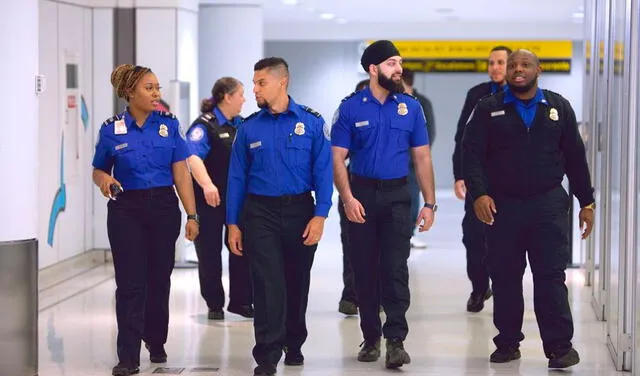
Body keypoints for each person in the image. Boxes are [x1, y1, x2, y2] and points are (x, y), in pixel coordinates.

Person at [463, 49, 595, 369]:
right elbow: (472, 154)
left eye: (524, 65)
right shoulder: (488, 108)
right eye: (512, 66)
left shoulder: (558, 107)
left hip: (547, 204)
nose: (517, 70)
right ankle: (507, 342)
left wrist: (586, 201)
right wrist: (479, 194)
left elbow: (576, 158)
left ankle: (559, 347)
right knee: (506, 276)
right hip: (502, 206)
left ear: (539, 69)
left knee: (550, 276)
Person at [331, 40, 436, 369]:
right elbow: (336, 158)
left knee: (395, 267)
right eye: (392, 63)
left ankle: (396, 340)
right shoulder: (350, 108)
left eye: (400, 63)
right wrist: (347, 198)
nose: (398, 69)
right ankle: (371, 337)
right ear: (373, 69)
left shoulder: (411, 107)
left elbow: (422, 156)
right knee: (364, 268)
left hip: (396, 196)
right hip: (360, 194)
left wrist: (430, 203)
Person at [226, 57, 333, 376]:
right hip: (260, 213)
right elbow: (236, 178)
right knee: (267, 283)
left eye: (261, 83)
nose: (255, 89)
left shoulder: (312, 123)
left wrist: (320, 215)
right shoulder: (249, 127)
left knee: (296, 281)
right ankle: (268, 354)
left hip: (300, 210)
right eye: (254, 83)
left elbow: (324, 171)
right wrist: (233, 222)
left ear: (281, 82)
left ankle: (294, 342)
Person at [92, 64, 199, 376]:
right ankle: (127, 356)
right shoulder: (111, 129)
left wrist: (192, 214)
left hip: (164, 207)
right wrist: (104, 181)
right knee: (129, 283)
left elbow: (181, 171)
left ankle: (155, 338)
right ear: (129, 93)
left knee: (158, 279)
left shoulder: (168, 125)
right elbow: (99, 167)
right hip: (127, 209)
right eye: (149, 88)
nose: (156, 93)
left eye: (157, 87)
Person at [186, 77, 253, 320]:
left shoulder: (242, 125)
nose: (244, 99)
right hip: (210, 201)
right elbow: (192, 158)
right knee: (210, 251)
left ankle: (242, 302)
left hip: (237, 200)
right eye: (241, 94)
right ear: (227, 96)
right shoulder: (204, 126)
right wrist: (207, 184)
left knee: (241, 247)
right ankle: (214, 303)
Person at [452, 45, 511, 312]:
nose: (495, 67)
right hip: (478, 178)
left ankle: (504, 288)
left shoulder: (521, 96)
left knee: (506, 238)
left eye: (500, 62)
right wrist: (459, 175)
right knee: (474, 236)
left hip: (510, 182)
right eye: (491, 63)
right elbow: (461, 137)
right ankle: (479, 287)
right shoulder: (476, 94)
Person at [337, 78, 369, 316]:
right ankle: (350, 294)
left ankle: (375, 294)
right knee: (351, 244)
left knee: (379, 248)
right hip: (352, 188)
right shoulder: (347, 118)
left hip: (383, 189)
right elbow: (338, 155)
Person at [401, 68, 436, 249]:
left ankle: (410, 234)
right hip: (394, 162)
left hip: (412, 162)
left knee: (413, 197)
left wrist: (419, 154)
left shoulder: (422, 103)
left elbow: (429, 133)